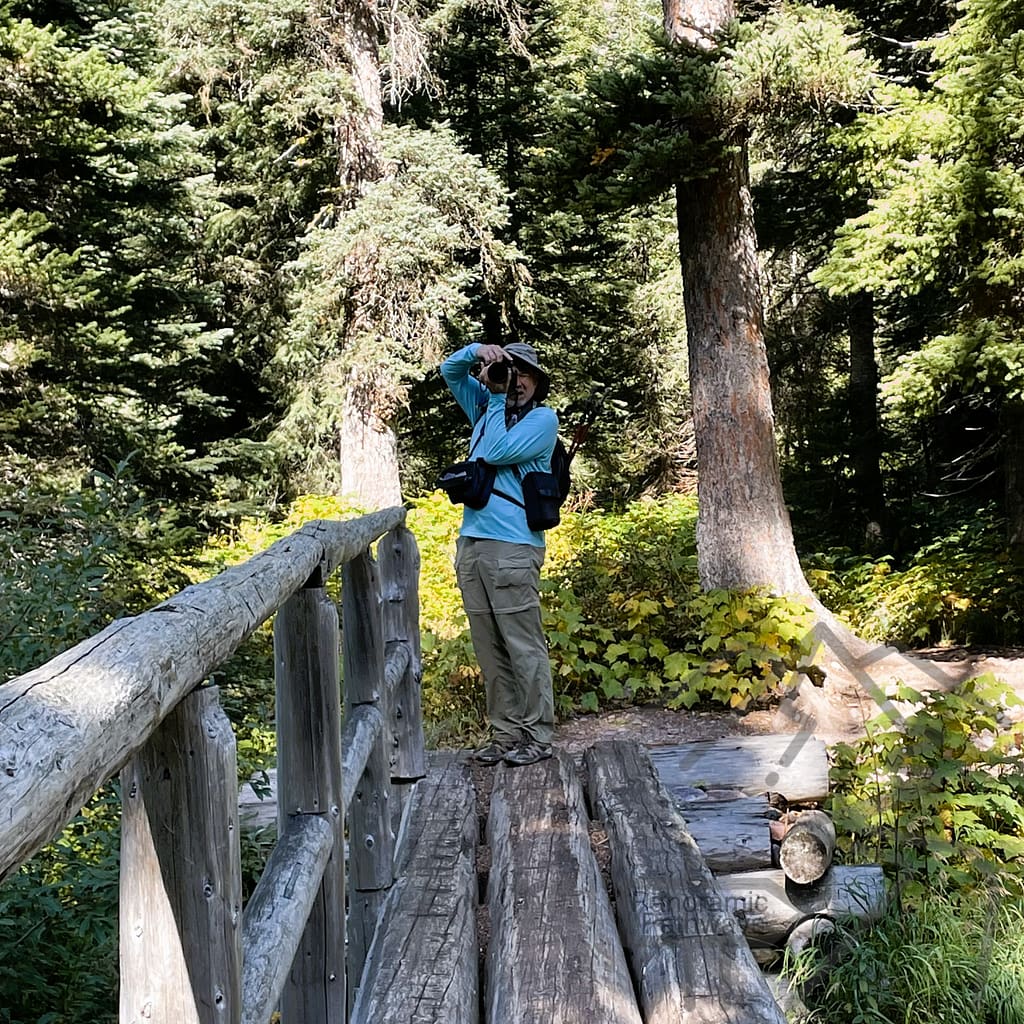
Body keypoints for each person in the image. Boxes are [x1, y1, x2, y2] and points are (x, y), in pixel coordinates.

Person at [440, 340, 559, 767]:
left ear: (537, 382)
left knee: (522, 646)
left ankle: (537, 736)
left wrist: (492, 396)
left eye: (524, 373)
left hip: (513, 547)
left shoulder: (544, 419)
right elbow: (449, 371)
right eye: (511, 370)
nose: (516, 380)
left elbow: (495, 451)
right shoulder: (489, 409)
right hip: (471, 545)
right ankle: (505, 734)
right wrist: (478, 352)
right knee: (489, 648)